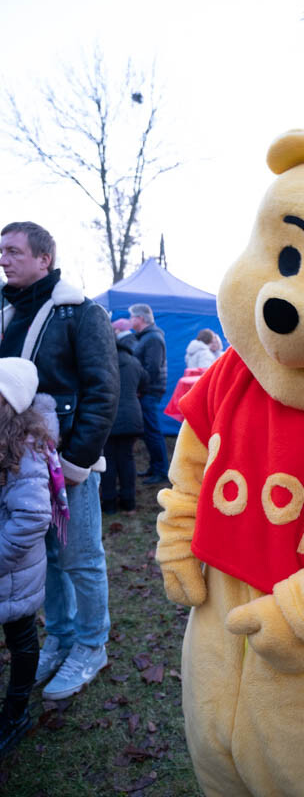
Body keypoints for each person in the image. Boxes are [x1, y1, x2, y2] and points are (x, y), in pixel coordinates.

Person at [0, 221, 119, 701]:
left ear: (43, 259)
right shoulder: (6, 314)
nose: (3, 259)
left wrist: (75, 462)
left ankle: (92, 645)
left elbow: (103, 392)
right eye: (2, 251)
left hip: (69, 463)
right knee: (44, 558)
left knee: (81, 559)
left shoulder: (83, 314)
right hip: (18, 464)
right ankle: (62, 637)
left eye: (13, 251)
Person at [0, 359, 56, 755]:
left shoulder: (26, 449)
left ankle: (16, 712)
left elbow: (34, 516)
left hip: (13, 570)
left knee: (21, 639)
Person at [101, 319, 149, 515]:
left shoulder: (103, 363)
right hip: (131, 417)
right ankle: (129, 503)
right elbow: (145, 383)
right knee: (127, 459)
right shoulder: (134, 362)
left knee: (108, 460)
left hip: (107, 417)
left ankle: (109, 504)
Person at [128, 303, 169, 484]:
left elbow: (152, 368)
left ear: (141, 318)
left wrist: (140, 389)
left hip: (149, 391)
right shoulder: (147, 337)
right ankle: (155, 466)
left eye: (132, 317)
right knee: (148, 431)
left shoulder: (152, 338)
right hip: (146, 390)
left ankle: (161, 470)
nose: (130, 320)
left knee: (152, 431)